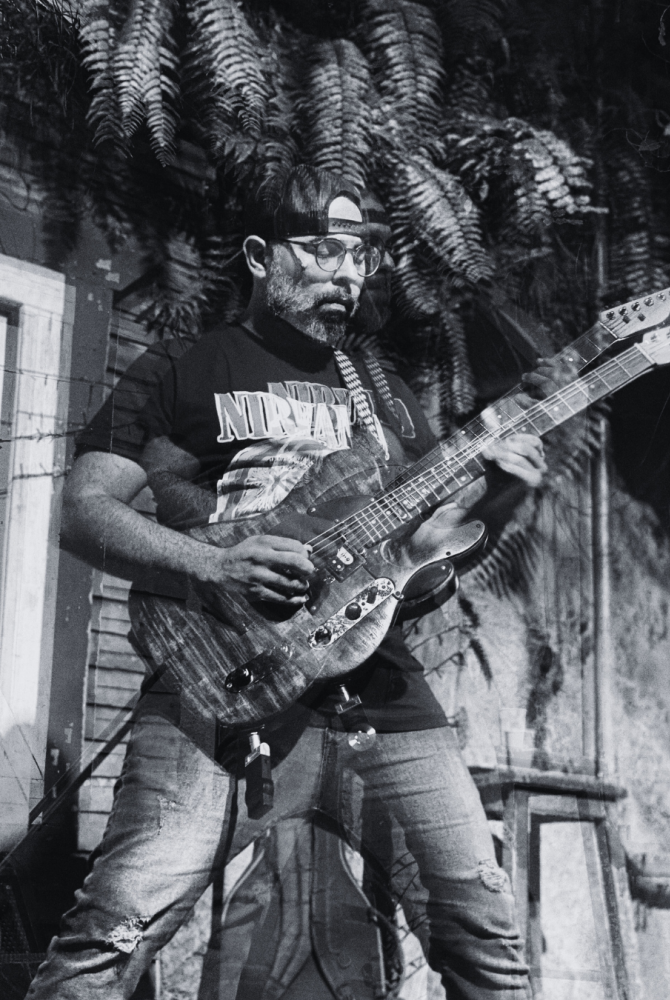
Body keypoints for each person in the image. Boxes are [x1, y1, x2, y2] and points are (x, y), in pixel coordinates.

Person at [26, 165, 552, 1000]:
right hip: (220, 684)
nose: (347, 273)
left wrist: (504, 494)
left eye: (361, 256)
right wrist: (213, 562)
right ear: (259, 256)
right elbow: (85, 512)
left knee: (486, 938)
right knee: (114, 932)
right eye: (324, 250)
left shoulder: (383, 396)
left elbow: (421, 556)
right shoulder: (183, 367)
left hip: (378, 695)